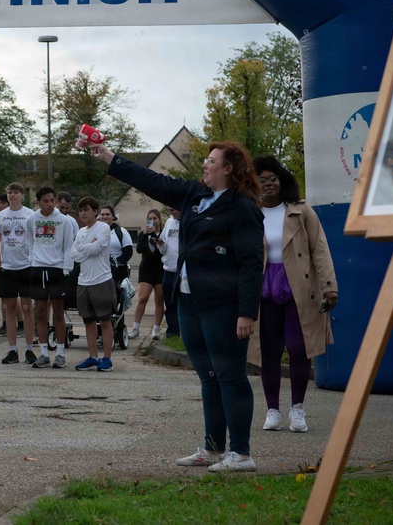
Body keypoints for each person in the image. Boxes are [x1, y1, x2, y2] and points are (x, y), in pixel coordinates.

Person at [91, 140, 264, 473]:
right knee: (209, 376)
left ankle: (241, 453)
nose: (204, 165)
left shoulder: (242, 207)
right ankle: (214, 449)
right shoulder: (194, 196)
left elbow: (252, 262)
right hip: (189, 300)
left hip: (223, 304)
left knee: (230, 375)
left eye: (210, 161)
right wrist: (111, 158)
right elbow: (152, 181)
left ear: (227, 169)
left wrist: (246, 311)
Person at [249, 155, 338, 434]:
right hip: (262, 286)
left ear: (281, 179)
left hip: (300, 286)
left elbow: (320, 249)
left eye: (272, 178)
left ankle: (297, 409)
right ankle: (273, 410)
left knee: (299, 347)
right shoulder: (248, 211)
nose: (268, 184)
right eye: (261, 180)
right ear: (254, 184)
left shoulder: (301, 211)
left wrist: (329, 285)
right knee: (269, 349)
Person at [23, 186, 77, 368]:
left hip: (57, 270)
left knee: (58, 313)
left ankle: (60, 354)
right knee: (41, 313)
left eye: (52, 200)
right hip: (38, 269)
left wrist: (66, 269)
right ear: (38, 202)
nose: (49, 204)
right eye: (45, 201)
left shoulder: (64, 221)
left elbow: (69, 245)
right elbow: (30, 242)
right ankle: (44, 353)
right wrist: (33, 261)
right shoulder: (31, 220)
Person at [70, 196, 116, 372]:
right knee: (88, 321)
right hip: (83, 281)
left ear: (95, 211)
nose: (82, 213)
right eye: (80, 210)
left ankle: (107, 358)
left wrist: (84, 247)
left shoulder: (103, 227)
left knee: (104, 320)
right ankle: (92, 356)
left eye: (86, 209)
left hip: (101, 280)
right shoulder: (81, 232)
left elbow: (98, 248)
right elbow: (74, 254)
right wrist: (86, 246)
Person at [0, 182, 34, 364]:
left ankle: (30, 349)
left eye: (16, 192)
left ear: (22, 195)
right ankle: (12, 350)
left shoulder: (30, 215)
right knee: (9, 308)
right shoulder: (0, 216)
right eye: (9, 192)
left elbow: (35, 239)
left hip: (26, 266)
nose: (12, 195)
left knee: (26, 308)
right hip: (7, 268)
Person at [131, 209, 166, 340]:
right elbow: (139, 249)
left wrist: (158, 238)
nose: (152, 221)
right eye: (150, 218)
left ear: (159, 220)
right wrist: (144, 234)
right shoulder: (143, 234)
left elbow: (165, 250)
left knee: (159, 300)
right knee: (143, 298)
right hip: (146, 270)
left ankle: (156, 329)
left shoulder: (163, 234)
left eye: (155, 218)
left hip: (160, 270)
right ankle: (135, 328)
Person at [158, 207, 182, 338]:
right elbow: (163, 247)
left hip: (182, 271)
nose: (171, 212)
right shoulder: (168, 222)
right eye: (169, 210)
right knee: (170, 302)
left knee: (182, 303)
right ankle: (172, 331)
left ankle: (183, 331)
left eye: (173, 209)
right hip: (168, 269)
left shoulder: (188, 221)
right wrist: (161, 244)